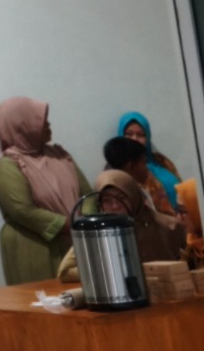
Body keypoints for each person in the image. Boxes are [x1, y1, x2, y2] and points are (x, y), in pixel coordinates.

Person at [0, 97, 92, 284]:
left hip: (76, 241)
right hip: (34, 248)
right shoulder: (8, 166)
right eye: (40, 120)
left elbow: (88, 195)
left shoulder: (60, 156)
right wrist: (66, 224)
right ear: (22, 126)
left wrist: (88, 222)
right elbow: (21, 210)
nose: (48, 124)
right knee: (43, 297)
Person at [56, 169, 185, 282]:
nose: (115, 206)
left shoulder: (169, 226)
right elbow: (65, 272)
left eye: (122, 198)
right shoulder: (97, 231)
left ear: (134, 196)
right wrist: (112, 270)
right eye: (107, 200)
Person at [117, 112, 181, 219]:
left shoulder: (161, 161)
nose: (134, 139)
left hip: (180, 220)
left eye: (140, 135)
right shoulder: (118, 169)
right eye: (129, 134)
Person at [103, 135, 177, 218]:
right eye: (144, 163)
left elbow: (168, 216)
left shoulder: (151, 184)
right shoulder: (109, 191)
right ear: (130, 166)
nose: (147, 168)